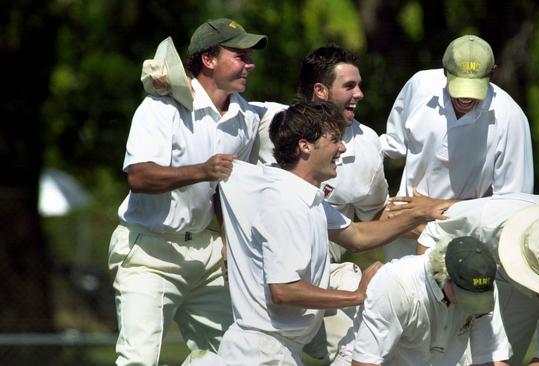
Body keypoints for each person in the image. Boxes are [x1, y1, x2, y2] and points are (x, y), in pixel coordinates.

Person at [216, 101, 452, 366]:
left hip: (274, 350)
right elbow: (283, 290)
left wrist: (420, 214)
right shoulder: (285, 204)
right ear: (305, 146)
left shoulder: (299, 193)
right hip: (262, 354)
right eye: (334, 140)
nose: (342, 148)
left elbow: (357, 236)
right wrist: (357, 296)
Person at [107, 18, 267, 366]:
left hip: (209, 257)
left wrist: (230, 244)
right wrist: (202, 171)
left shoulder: (246, 118)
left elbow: (226, 195)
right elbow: (139, 177)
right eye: (239, 55)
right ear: (209, 59)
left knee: (237, 357)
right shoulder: (160, 108)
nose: (249, 64)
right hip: (151, 254)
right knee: (138, 360)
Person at [249, 45, 391, 363]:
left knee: (373, 331)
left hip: (327, 275)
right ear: (320, 90)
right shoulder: (270, 121)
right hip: (263, 274)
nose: (360, 94)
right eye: (349, 86)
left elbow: (374, 219)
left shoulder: (367, 145)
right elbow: (220, 109)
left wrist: (429, 218)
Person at [380, 34, 534, 262]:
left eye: (474, 87)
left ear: (492, 73)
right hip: (402, 230)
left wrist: (440, 206)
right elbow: (393, 144)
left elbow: (512, 205)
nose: (464, 96)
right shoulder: (420, 85)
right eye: (459, 84)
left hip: (463, 237)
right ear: (444, 71)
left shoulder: (510, 117)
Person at [416, 193, 539, 365]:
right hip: (505, 275)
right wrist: (437, 302)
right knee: (489, 356)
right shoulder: (489, 219)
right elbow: (432, 233)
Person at [331, 236, 510, 366]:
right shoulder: (396, 283)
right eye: (466, 297)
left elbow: (490, 358)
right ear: (445, 276)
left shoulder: (481, 284)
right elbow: (366, 362)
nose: (471, 304)